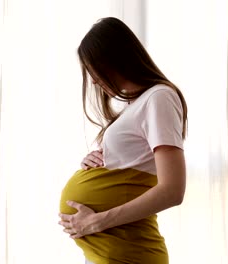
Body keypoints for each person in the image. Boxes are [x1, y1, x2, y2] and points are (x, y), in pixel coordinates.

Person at [58, 17, 187, 264]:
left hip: (128, 252)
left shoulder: (159, 97)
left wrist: (97, 221)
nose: (93, 80)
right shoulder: (135, 105)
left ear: (112, 59)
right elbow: (131, 165)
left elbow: (173, 190)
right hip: (110, 249)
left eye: (93, 68)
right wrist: (95, 162)